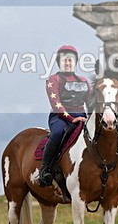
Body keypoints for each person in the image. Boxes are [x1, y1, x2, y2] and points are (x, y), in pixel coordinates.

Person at [38, 45, 90, 188]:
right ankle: (45, 169)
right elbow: (56, 104)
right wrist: (72, 119)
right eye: (64, 61)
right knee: (58, 133)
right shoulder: (53, 79)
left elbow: (91, 102)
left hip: (82, 116)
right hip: (60, 117)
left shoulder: (84, 81)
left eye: (70, 61)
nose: (67, 64)